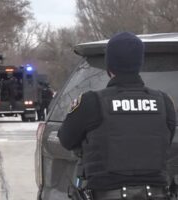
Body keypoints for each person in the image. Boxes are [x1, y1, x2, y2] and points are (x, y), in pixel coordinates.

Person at [57, 32, 176, 200]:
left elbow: (66, 139)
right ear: (139, 63)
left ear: (109, 66)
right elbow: (167, 138)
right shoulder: (164, 102)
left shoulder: (91, 102)